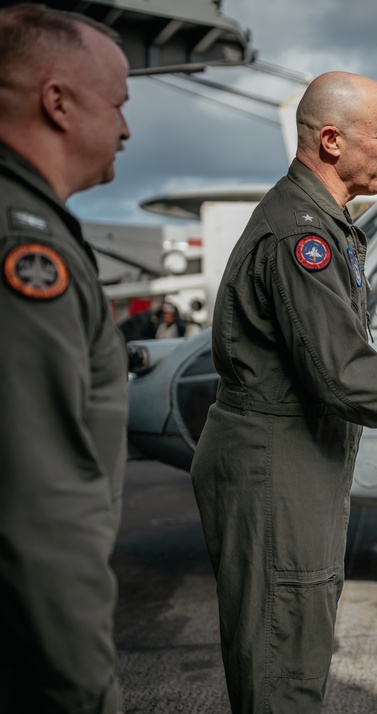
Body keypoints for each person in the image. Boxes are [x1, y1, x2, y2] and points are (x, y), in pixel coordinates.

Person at [190, 71, 377, 714]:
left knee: (297, 632)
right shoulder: (300, 234)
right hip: (276, 462)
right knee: (283, 649)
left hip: (295, 459)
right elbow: (342, 374)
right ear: (332, 140)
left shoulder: (323, 222)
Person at [0, 5, 131, 712]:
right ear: (57, 103)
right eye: (117, 104)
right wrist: (81, 688)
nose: (126, 129)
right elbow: (38, 497)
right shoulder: (25, 245)